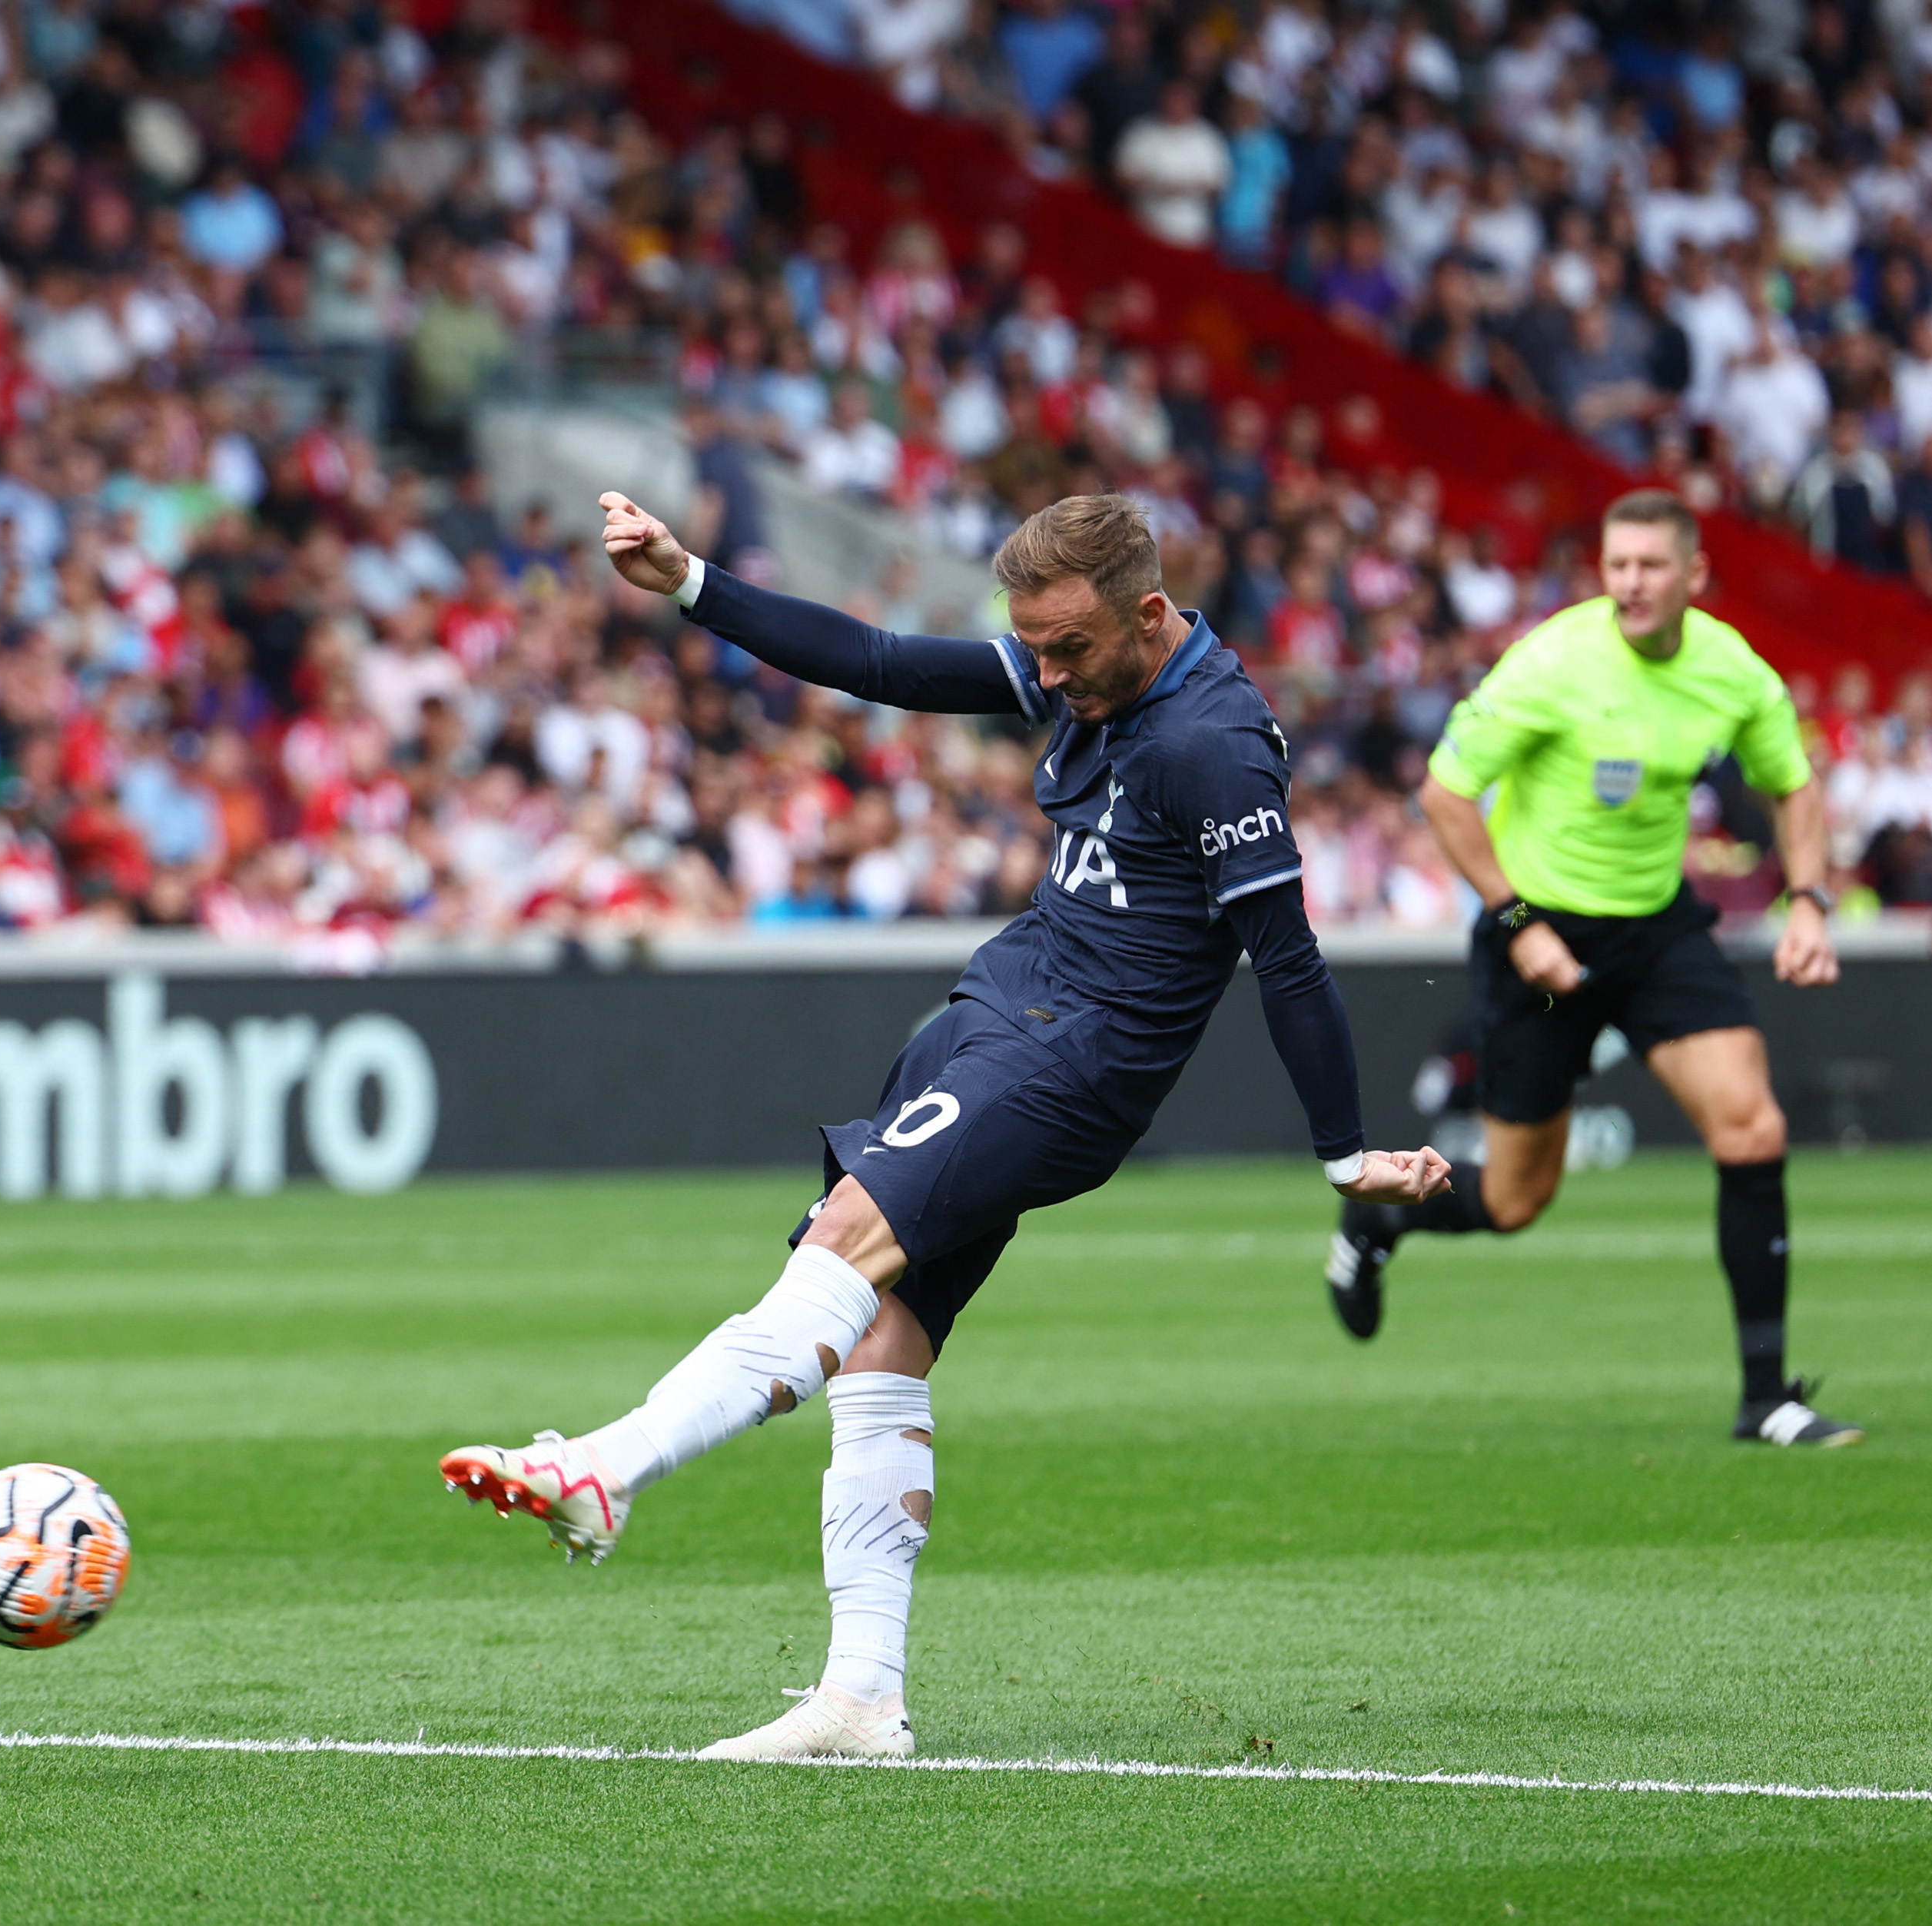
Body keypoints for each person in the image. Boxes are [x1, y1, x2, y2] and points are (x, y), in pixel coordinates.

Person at [443, 491, 1449, 1761]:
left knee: (842, 1245)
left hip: (1066, 1062)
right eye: (1029, 646)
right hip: (996, 1018)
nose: (1042, 674)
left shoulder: (1211, 740)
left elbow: (1289, 962)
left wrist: (1342, 1152)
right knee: (879, 1337)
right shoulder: (1087, 671)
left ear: (1148, 615)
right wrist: (692, 579)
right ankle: (860, 1695)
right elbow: (874, 662)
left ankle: (606, 1465)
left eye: (1065, 649)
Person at [1326, 489, 1860, 1448]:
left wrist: (1808, 901)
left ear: (1694, 575)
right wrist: (1518, 921)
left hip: (1654, 929)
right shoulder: (1552, 662)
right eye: (1616, 565)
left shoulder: (1730, 671)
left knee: (1751, 1127)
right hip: (1534, 932)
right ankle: (1379, 1228)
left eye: (1651, 566)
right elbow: (1445, 795)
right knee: (1514, 1199)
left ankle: (1763, 1397)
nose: (1629, 583)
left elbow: (1791, 782)